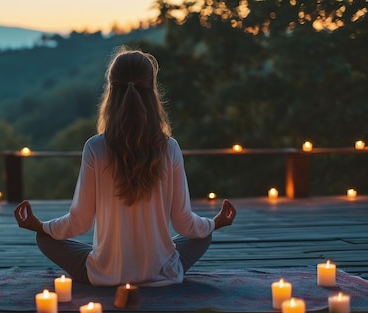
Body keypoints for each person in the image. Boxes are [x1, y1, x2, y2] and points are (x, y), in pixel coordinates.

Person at [14, 47, 236, 287]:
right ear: (152, 91)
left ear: (111, 91)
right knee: (203, 234)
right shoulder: (169, 148)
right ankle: (161, 259)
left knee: (45, 239)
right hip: (162, 272)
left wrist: (40, 226)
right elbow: (184, 224)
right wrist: (216, 222)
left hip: (106, 275)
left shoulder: (95, 148)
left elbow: (80, 222)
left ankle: (106, 259)